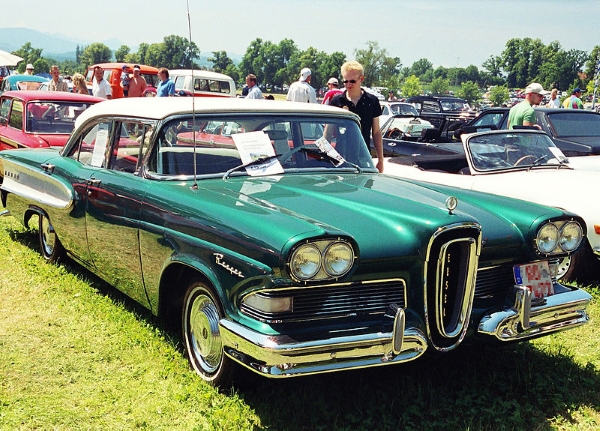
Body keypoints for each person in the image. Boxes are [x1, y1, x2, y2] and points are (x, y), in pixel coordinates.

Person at [329, 61, 384, 173]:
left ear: (361, 79)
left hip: (364, 157)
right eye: (345, 81)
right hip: (340, 158)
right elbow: (328, 131)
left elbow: (376, 132)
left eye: (352, 81)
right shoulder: (337, 101)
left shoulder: (372, 101)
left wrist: (381, 160)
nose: (349, 84)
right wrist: (326, 155)